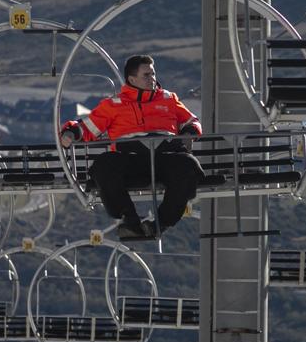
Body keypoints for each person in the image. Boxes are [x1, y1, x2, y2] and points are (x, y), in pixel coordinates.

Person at [60, 55, 203, 239]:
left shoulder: (168, 99)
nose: (152, 79)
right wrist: (71, 132)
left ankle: (161, 222)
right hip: (131, 159)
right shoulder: (114, 105)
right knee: (104, 165)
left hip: (164, 157)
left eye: (153, 74)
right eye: (146, 75)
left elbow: (191, 120)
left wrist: (190, 132)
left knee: (187, 166)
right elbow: (87, 127)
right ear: (132, 79)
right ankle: (129, 219)